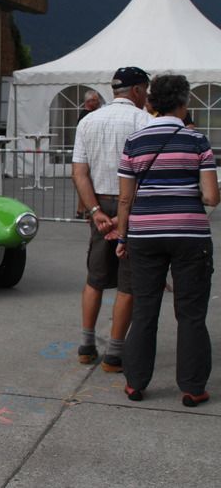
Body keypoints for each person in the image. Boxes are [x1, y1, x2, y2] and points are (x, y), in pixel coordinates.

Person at [115, 74, 219, 406]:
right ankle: (192, 387)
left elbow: (124, 199)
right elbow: (212, 197)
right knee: (190, 313)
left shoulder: (135, 141)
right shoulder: (197, 140)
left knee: (145, 309)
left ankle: (135, 383)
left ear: (151, 101)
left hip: (145, 235)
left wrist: (122, 236)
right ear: (183, 102)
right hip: (190, 235)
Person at [71, 66, 151, 372]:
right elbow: (144, 175)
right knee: (128, 282)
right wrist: (123, 216)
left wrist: (95, 212)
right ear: (136, 91)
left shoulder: (88, 120)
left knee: (95, 277)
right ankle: (115, 354)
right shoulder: (144, 121)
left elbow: (79, 172)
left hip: (100, 204)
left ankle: (86, 344)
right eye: (145, 90)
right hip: (132, 204)